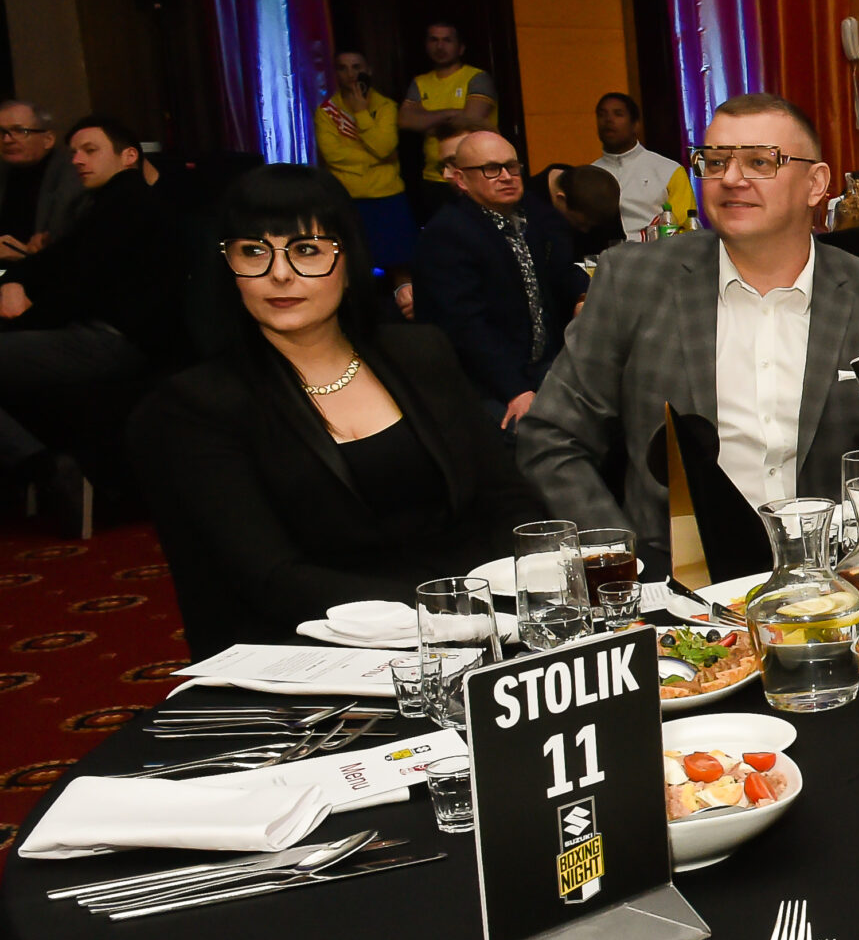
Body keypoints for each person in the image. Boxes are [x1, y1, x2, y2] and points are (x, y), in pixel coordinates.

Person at [516, 91, 859, 568]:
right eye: (715, 162)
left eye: (760, 162)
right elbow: (550, 436)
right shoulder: (633, 282)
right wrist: (618, 560)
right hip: (680, 583)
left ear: (816, 183)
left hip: (839, 579)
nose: (731, 179)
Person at [132, 164, 542, 653]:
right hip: (334, 643)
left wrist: (531, 588)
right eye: (253, 251)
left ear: (348, 260)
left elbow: (506, 497)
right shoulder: (201, 403)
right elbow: (270, 577)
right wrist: (445, 611)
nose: (279, 274)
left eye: (306, 249)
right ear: (228, 268)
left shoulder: (421, 353)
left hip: (488, 621)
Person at [0, 116, 189, 498]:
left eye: (90, 150)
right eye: (74, 153)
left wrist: (21, 317)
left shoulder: (130, 205)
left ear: (128, 156)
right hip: (93, 333)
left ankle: (40, 467)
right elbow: (52, 263)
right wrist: (13, 281)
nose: (77, 160)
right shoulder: (105, 204)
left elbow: (78, 289)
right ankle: (38, 465)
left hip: (111, 340)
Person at [409, 131, 588, 428]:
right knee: (536, 436)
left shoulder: (532, 213)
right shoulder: (447, 234)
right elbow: (466, 326)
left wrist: (582, 295)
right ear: (461, 180)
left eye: (512, 166)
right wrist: (515, 389)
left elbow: (561, 268)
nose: (506, 177)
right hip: (485, 380)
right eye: (491, 169)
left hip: (544, 364)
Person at [315, 51, 416, 273]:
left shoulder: (386, 106)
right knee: (353, 267)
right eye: (342, 68)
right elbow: (333, 155)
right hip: (348, 198)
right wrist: (377, 159)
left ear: (368, 71)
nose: (350, 73)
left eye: (356, 67)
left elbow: (384, 146)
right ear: (335, 73)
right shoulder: (326, 112)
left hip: (388, 196)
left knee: (400, 265)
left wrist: (361, 112)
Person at [400, 21, 497, 224]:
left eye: (447, 40)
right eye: (434, 40)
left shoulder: (477, 78)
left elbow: (468, 122)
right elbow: (406, 121)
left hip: (473, 173)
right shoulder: (420, 82)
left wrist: (427, 120)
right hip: (434, 177)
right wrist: (451, 113)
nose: (440, 46)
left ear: (461, 48)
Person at [591, 91, 695, 239]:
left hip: (657, 251)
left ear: (636, 125)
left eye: (618, 114)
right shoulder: (589, 176)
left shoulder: (669, 170)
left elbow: (685, 230)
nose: (608, 120)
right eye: (602, 114)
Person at [0, 100, 82, 259]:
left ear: (48, 139)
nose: (6, 140)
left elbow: (73, 250)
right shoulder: (3, 170)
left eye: (20, 131)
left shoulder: (73, 175)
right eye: (1, 132)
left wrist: (26, 256)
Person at [530, 161, 627, 258]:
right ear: (561, 199)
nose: (585, 230)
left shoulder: (602, 191)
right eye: (580, 223)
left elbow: (617, 251)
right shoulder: (527, 205)